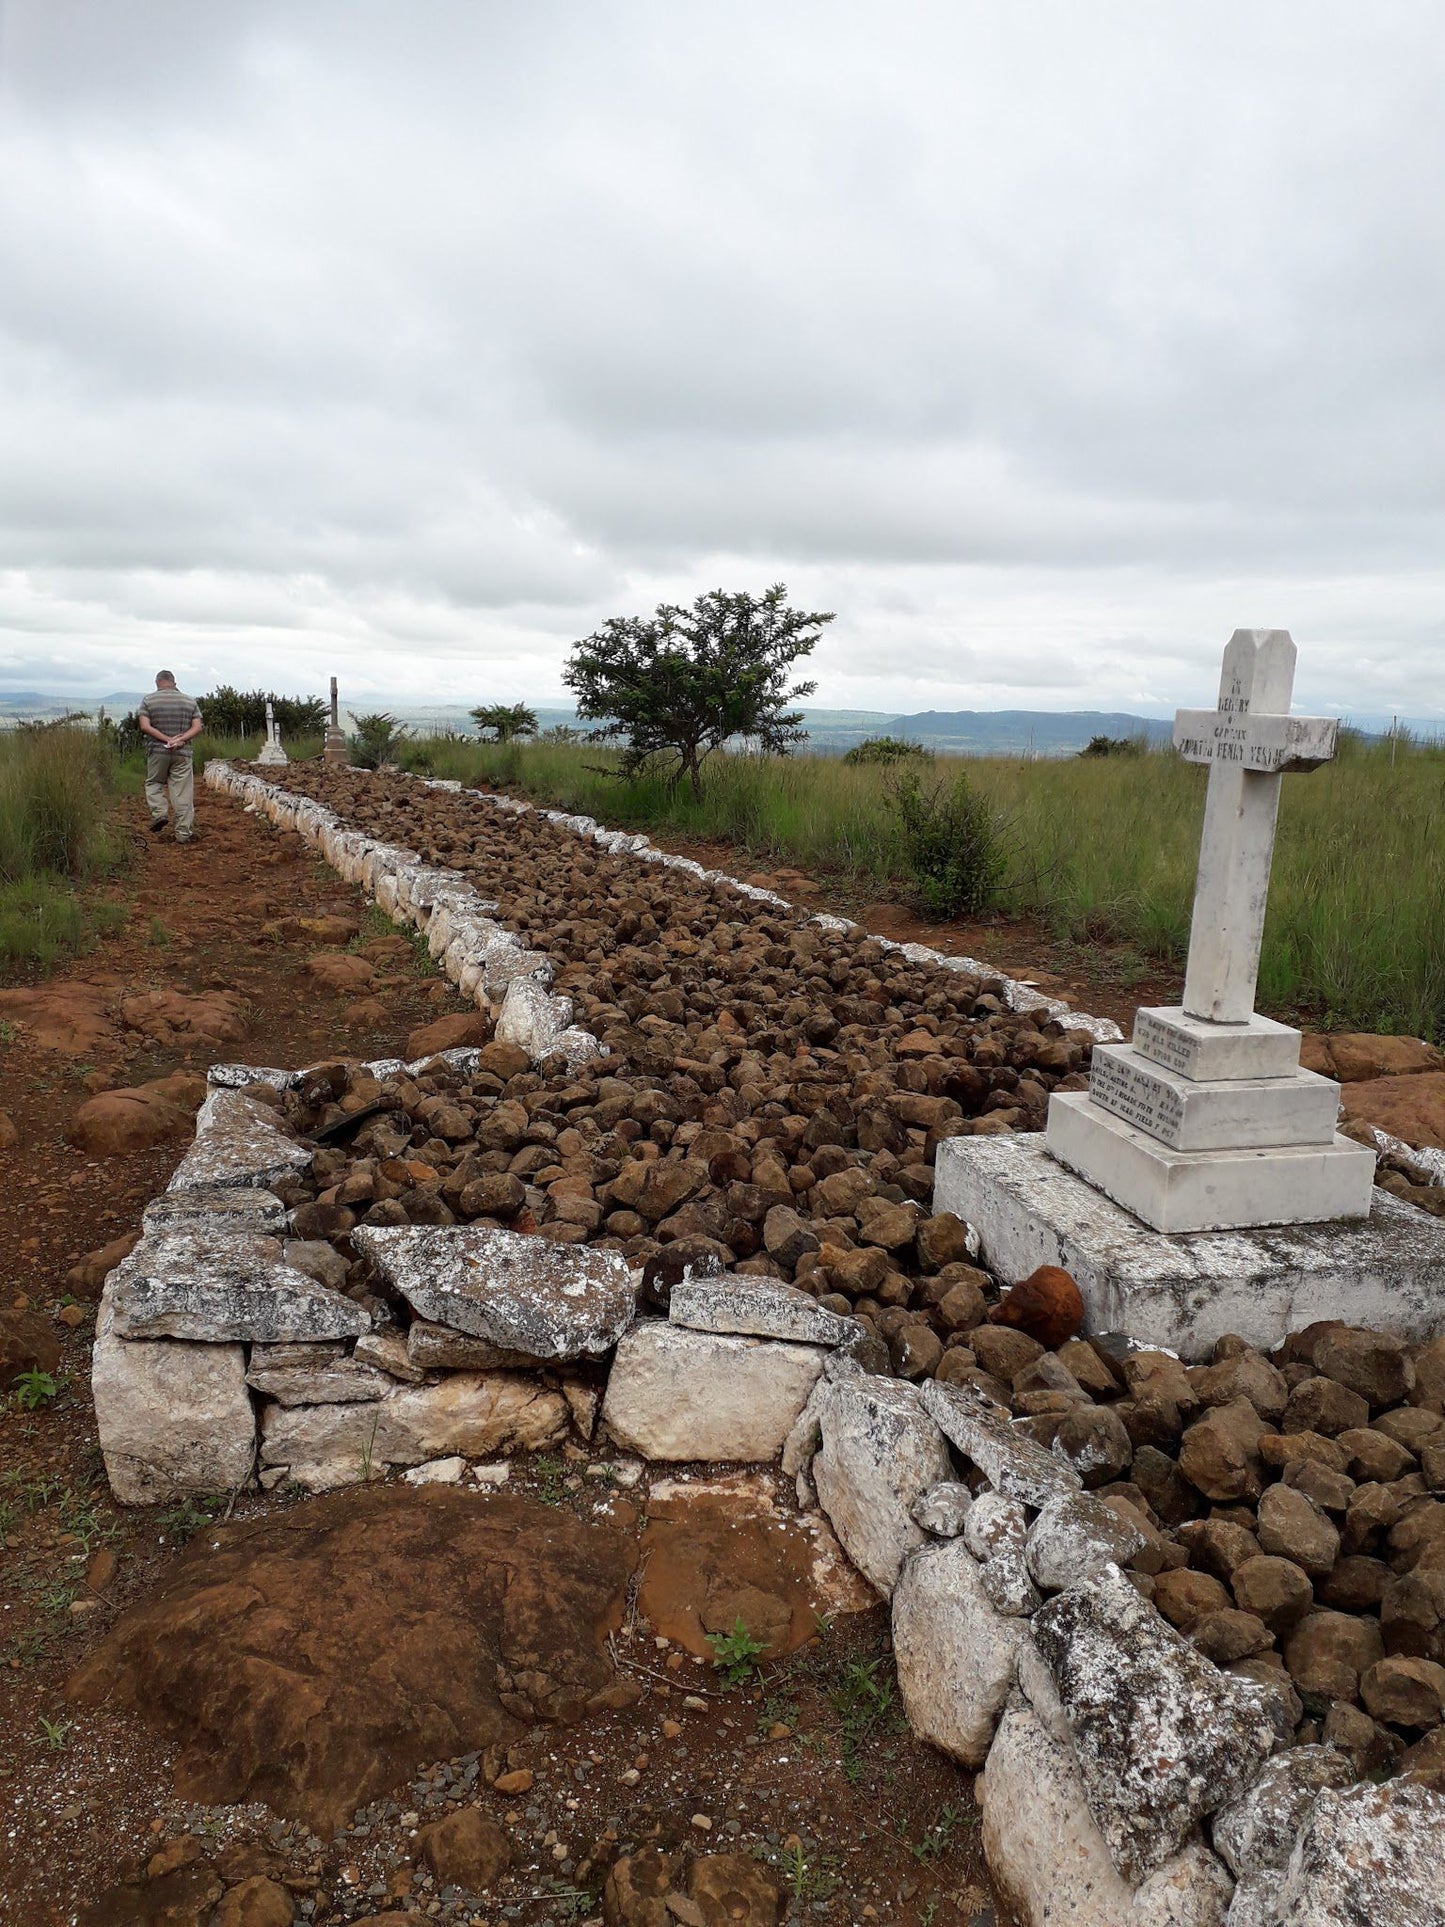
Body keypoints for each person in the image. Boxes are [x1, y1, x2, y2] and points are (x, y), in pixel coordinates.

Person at [137, 672, 204, 842]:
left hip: (157, 751)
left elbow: (144, 726)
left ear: (157, 682)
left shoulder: (148, 700)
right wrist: (181, 739)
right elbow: (197, 726)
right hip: (182, 752)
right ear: (174, 682)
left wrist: (166, 739)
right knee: (182, 793)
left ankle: (159, 812)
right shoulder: (190, 701)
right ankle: (183, 834)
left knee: (154, 783)